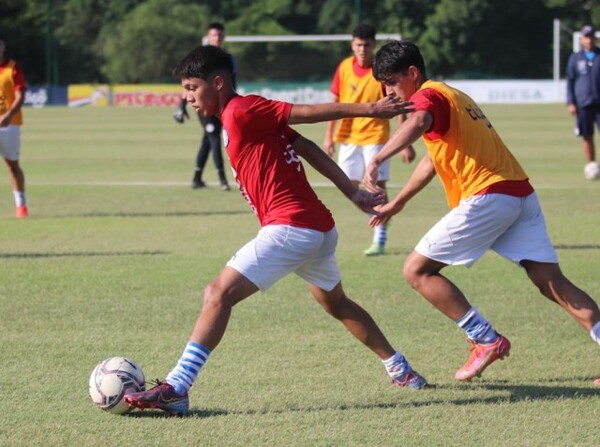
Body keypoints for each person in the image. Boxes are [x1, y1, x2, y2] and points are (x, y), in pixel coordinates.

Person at [124, 45, 428, 417]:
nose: (187, 98)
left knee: (217, 294)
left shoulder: (242, 110)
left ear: (217, 83)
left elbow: (308, 114)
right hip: (316, 229)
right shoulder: (238, 118)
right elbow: (308, 149)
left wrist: (370, 109)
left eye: (192, 87)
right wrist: (353, 193)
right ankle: (402, 370)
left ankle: (177, 387)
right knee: (337, 304)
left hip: (291, 227)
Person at [363, 40, 600, 383]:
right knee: (551, 282)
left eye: (391, 82)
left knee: (417, 271)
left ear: (413, 73)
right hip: (519, 193)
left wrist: (378, 157)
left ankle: (484, 338)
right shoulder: (452, 96)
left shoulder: (427, 96)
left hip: (488, 196)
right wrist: (399, 202)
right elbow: (433, 160)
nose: (388, 92)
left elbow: (415, 122)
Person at [323, 24, 415, 256]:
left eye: (366, 45)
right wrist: (328, 137)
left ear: (372, 45)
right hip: (348, 136)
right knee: (349, 186)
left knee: (376, 186)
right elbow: (335, 103)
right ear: (352, 45)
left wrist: (405, 142)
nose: (362, 49)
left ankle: (380, 237)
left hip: (376, 136)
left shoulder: (380, 69)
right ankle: (380, 215)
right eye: (358, 45)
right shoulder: (344, 67)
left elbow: (396, 104)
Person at [173, 22, 235, 190]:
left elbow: (231, 82)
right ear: (208, 37)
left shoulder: (227, 58)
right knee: (214, 136)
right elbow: (190, 84)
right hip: (204, 105)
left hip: (221, 104)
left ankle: (197, 178)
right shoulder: (200, 58)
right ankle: (223, 180)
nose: (218, 38)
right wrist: (182, 105)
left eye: (220, 35)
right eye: (215, 35)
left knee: (208, 140)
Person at [566, 24, 600, 180]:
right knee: (587, 136)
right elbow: (570, 82)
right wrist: (571, 102)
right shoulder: (575, 58)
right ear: (582, 39)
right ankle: (591, 165)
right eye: (586, 37)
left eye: (591, 36)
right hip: (583, 103)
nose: (589, 40)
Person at [0, 38, 28, 218]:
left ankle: (21, 206)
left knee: (12, 166)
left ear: (2, 46)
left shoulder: (12, 68)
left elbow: (21, 94)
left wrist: (9, 115)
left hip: (9, 126)